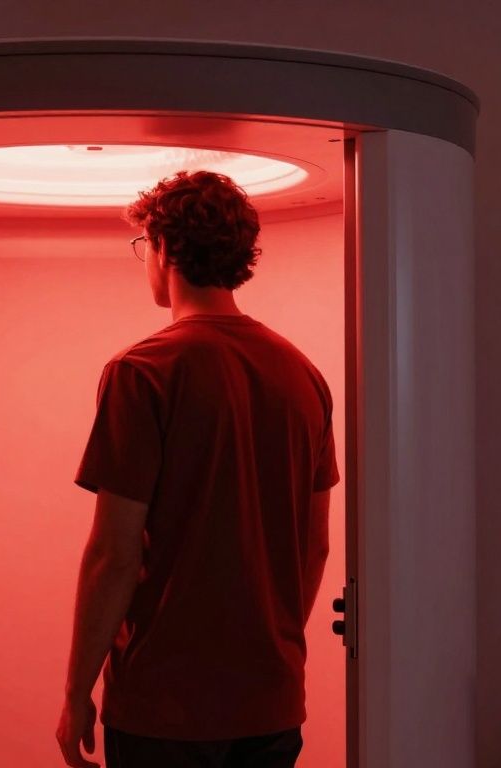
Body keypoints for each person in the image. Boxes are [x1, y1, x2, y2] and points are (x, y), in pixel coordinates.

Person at [55, 170, 340, 768]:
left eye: (144, 248)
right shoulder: (303, 375)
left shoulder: (143, 371)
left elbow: (115, 553)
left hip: (164, 706)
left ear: (163, 248)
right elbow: (314, 548)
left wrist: (77, 693)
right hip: (272, 703)